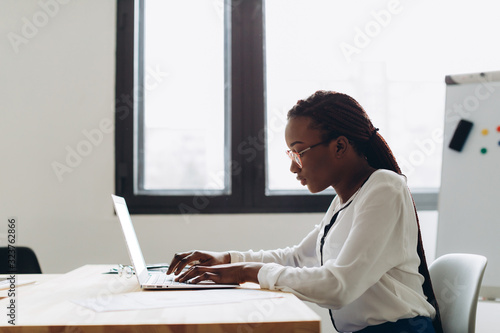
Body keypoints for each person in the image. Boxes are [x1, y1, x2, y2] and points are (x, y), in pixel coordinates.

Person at [167, 90, 442, 333]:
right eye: (291, 155)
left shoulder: (384, 188)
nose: (294, 167)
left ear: (340, 146)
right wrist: (226, 259)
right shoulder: (345, 200)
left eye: (299, 152)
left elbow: (338, 286)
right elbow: (297, 258)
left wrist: (245, 272)